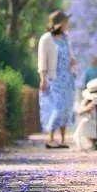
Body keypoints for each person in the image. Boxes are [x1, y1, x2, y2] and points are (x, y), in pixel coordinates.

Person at [37, 9, 76, 148]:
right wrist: (43, 78)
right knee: (56, 108)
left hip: (68, 78)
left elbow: (70, 55)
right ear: (59, 23)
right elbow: (42, 61)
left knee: (66, 108)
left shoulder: (66, 38)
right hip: (54, 79)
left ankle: (63, 139)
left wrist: (73, 62)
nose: (68, 24)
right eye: (66, 22)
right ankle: (51, 138)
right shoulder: (46, 39)